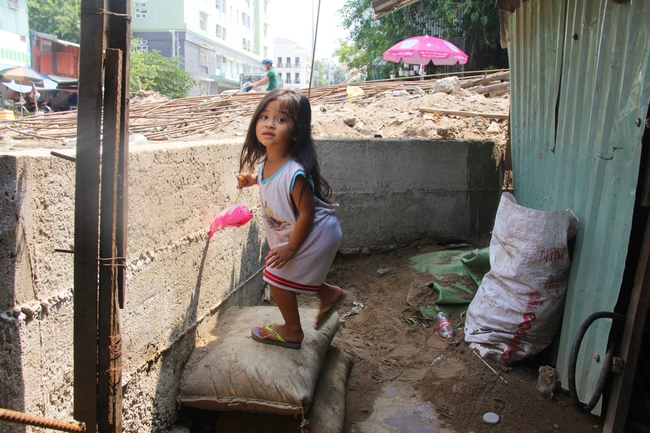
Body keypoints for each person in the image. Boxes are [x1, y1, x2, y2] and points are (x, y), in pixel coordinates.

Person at [237, 89, 347, 349]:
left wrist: (291, 248)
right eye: (264, 116)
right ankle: (329, 294)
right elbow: (269, 180)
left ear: (296, 132)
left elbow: (307, 213)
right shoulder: (268, 162)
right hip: (306, 230)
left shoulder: (295, 173)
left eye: (281, 119)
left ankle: (293, 331)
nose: (269, 123)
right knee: (292, 272)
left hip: (317, 232)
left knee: (275, 274)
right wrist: (253, 180)